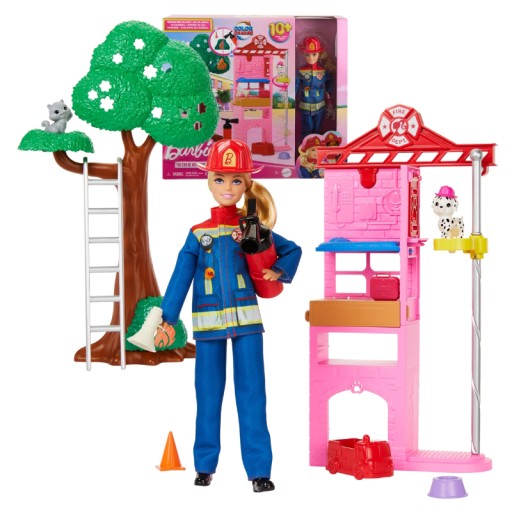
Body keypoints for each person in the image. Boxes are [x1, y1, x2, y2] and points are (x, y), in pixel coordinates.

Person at [160, 139, 302, 493]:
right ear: (209, 181)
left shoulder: (252, 228)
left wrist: (278, 270)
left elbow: (292, 250)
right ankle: (204, 466)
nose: (228, 188)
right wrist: (167, 318)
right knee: (208, 396)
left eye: (236, 180)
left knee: (253, 395)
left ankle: (259, 471)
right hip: (208, 325)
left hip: (248, 325)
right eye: (220, 179)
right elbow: (180, 277)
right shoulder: (198, 233)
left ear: (247, 184)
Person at [296, 36, 334, 139]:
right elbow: (296, 84)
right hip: (305, 105)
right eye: (307, 55)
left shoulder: (323, 71)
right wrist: (292, 97)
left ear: (319, 54)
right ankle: (306, 144)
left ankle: (317, 145)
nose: (311, 58)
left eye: (314, 54)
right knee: (307, 128)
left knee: (317, 128)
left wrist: (329, 91)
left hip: (320, 105)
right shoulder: (301, 71)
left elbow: (330, 80)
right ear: (303, 54)